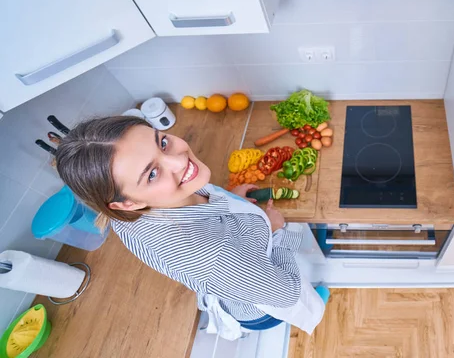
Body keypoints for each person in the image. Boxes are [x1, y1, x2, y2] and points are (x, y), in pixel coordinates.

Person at [55, 116, 325, 339]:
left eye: (162, 142)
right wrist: (278, 233)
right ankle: (318, 296)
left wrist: (231, 198)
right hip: (261, 308)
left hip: (244, 274)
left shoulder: (130, 211)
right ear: (127, 203)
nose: (181, 161)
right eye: (151, 174)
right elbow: (287, 293)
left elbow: (192, 189)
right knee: (303, 296)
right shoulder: (213, 256)